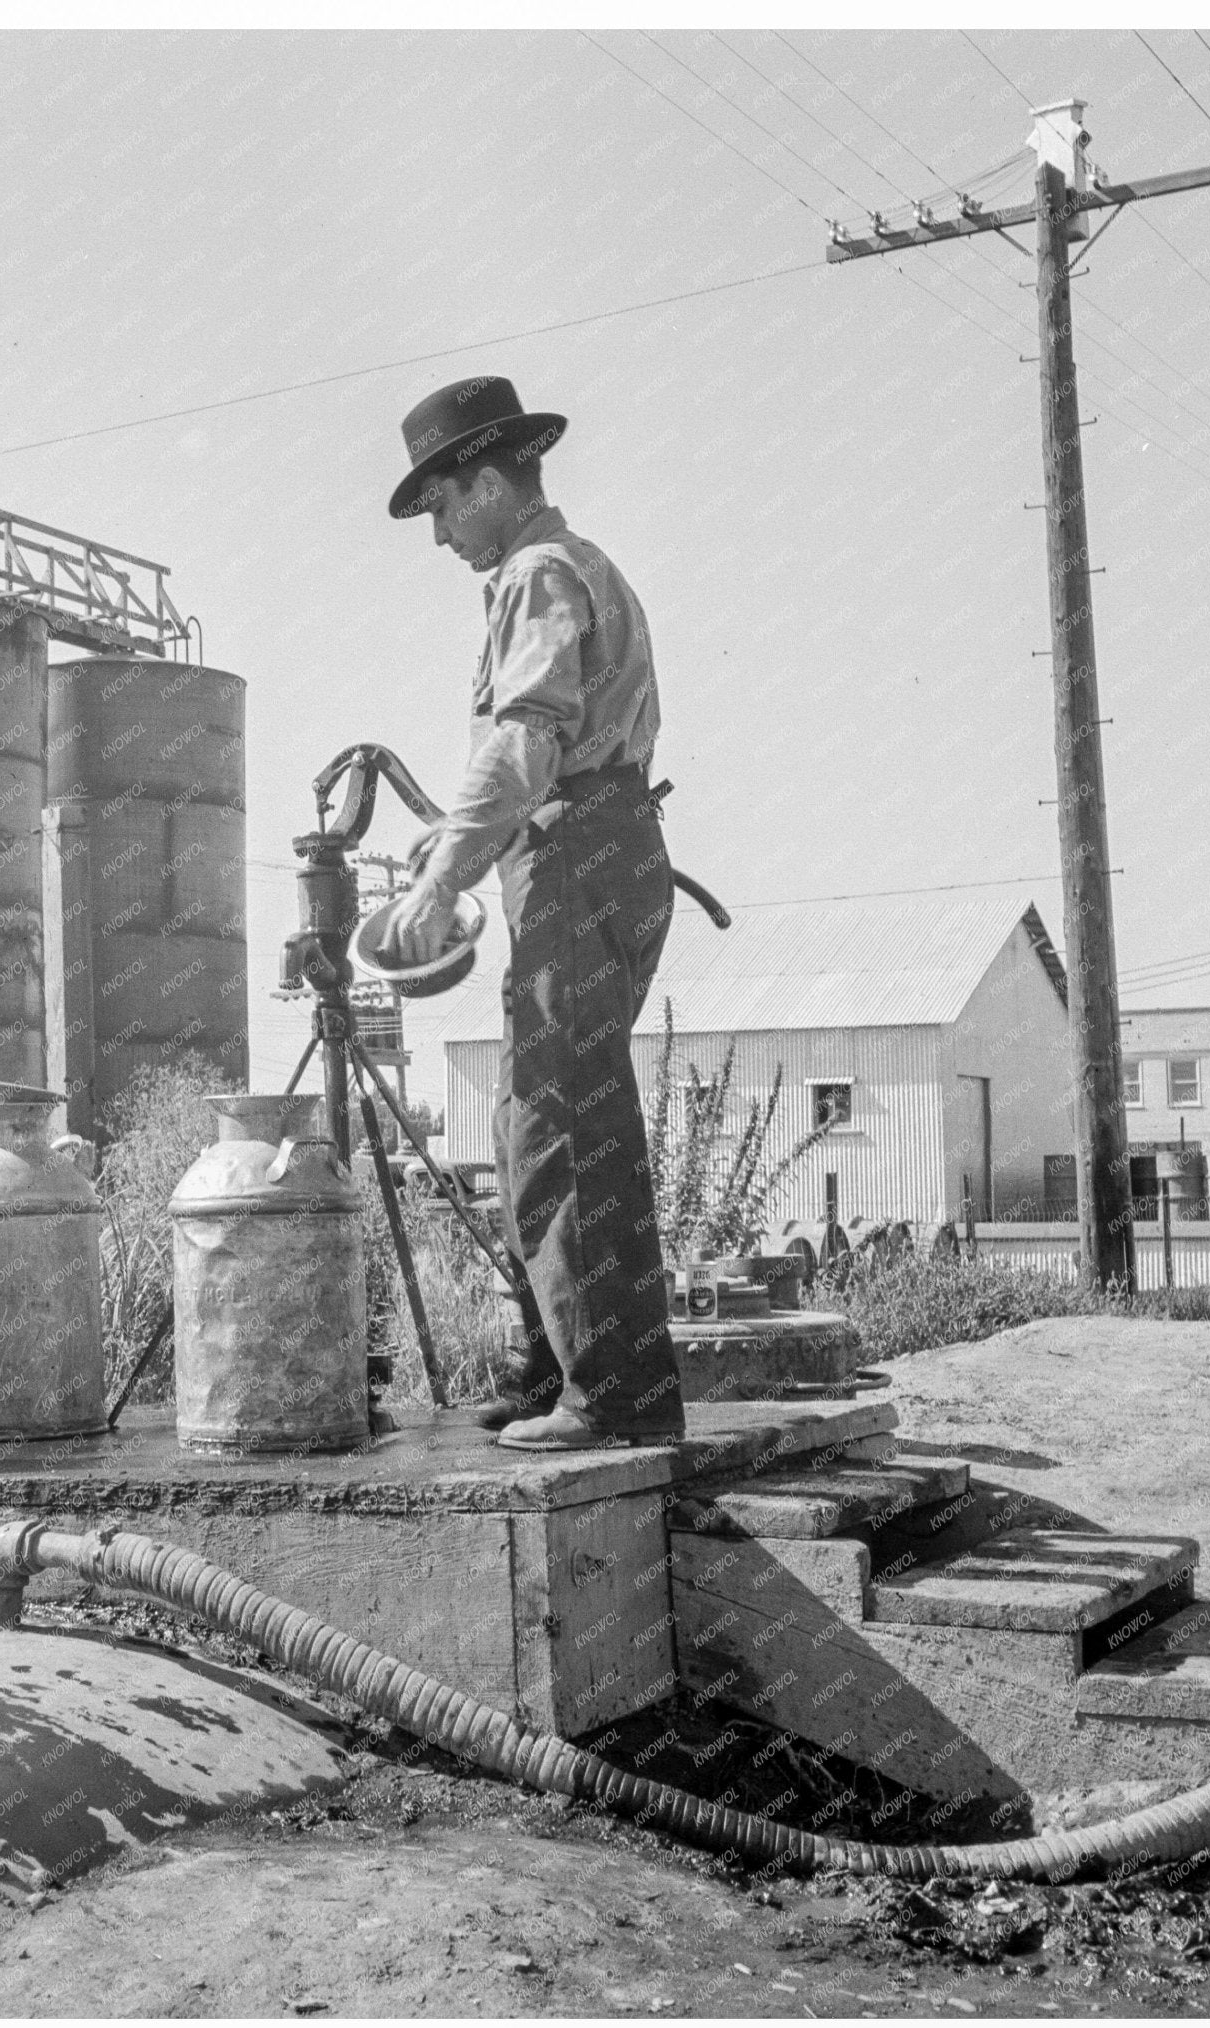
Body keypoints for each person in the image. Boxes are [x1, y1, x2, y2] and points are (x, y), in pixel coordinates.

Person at [381, 376, 684, 1452]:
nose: (438, 536)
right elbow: (535, 755)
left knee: (563, 1121)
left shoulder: (537, 571)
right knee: (532, 1120)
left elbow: (525, 742)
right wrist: (455, 840)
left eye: (442, 507)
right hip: (584, 849)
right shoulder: (565, 567)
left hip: (578, 858)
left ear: (490, 483)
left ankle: (611, 1397)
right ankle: (560, 1365)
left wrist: (435, 881)